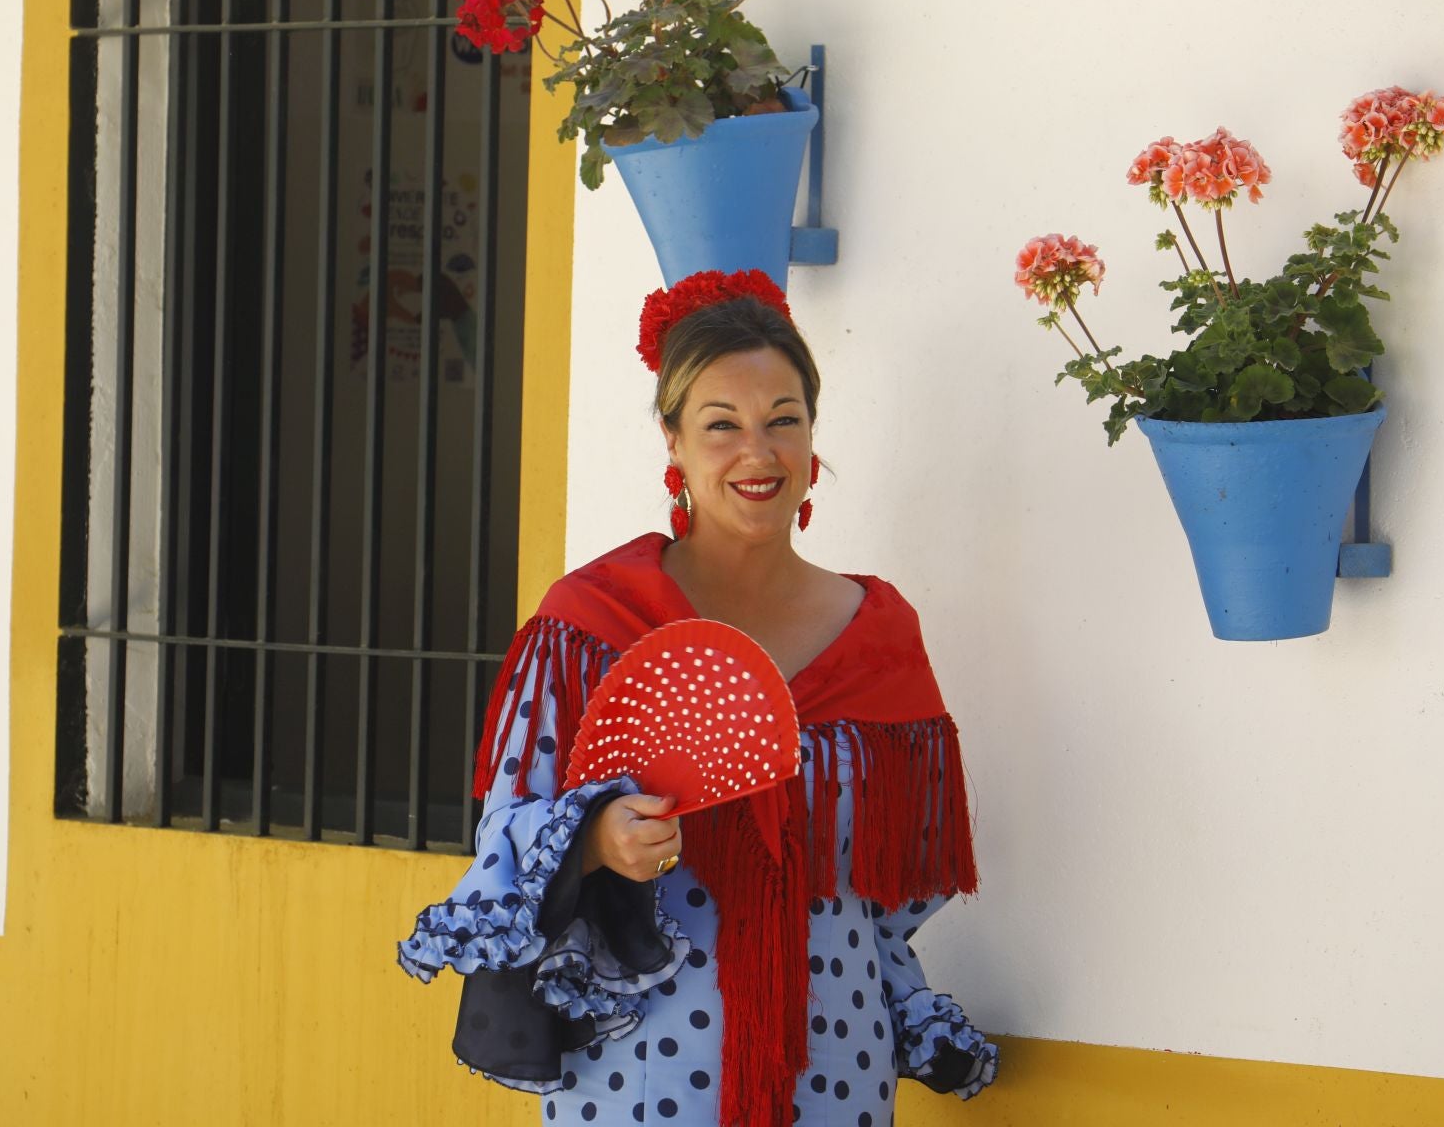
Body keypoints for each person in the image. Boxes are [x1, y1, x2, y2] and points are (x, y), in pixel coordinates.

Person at [399, 270, 997, 1126]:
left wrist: (908, 1008)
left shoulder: (881, 633)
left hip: (838, 1060)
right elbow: (506, 833)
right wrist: (594, 840)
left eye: (783, 420)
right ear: (673, 441)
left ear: (813, 436)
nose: (759, 453)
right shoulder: (592, 624)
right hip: (644, 1069)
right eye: (722, 425)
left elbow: (896, 891)